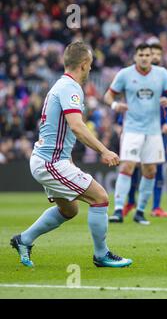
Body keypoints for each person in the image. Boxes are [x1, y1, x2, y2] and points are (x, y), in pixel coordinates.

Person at [10, 41, 132, 268]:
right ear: (84, 64)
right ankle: (101, 255)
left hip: (47, 159)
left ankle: (23, 239)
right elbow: (76, 126)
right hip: (51, 162)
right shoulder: (70, 88)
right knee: (101, 198)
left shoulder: (60, 85)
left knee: (69, 209)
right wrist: (104, 150)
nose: (91, 69)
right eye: (91, 65)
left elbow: (61, 129)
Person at [105, 43, 167, 225]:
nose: (145, 57)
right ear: (135, 57)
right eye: (141, 55)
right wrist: (115, 106)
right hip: (132, 129)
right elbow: (108, 95)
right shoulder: (125, 74)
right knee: (127, 167)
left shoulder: (161, 74)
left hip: (153, 131)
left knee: (150, 171)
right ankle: (118, 210)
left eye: (147, 54)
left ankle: (140, 212)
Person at [122, 42, 167, 218]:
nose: (156, 57)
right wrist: (121, 121)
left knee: (156, 168)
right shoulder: (134, 75)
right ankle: (129, 202)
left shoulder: (163, 77)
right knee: (133, 165)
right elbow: (129, 101)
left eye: (158, 54)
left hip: (157, 129)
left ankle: (155, 207)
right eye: (153, 53)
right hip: (136, 127)